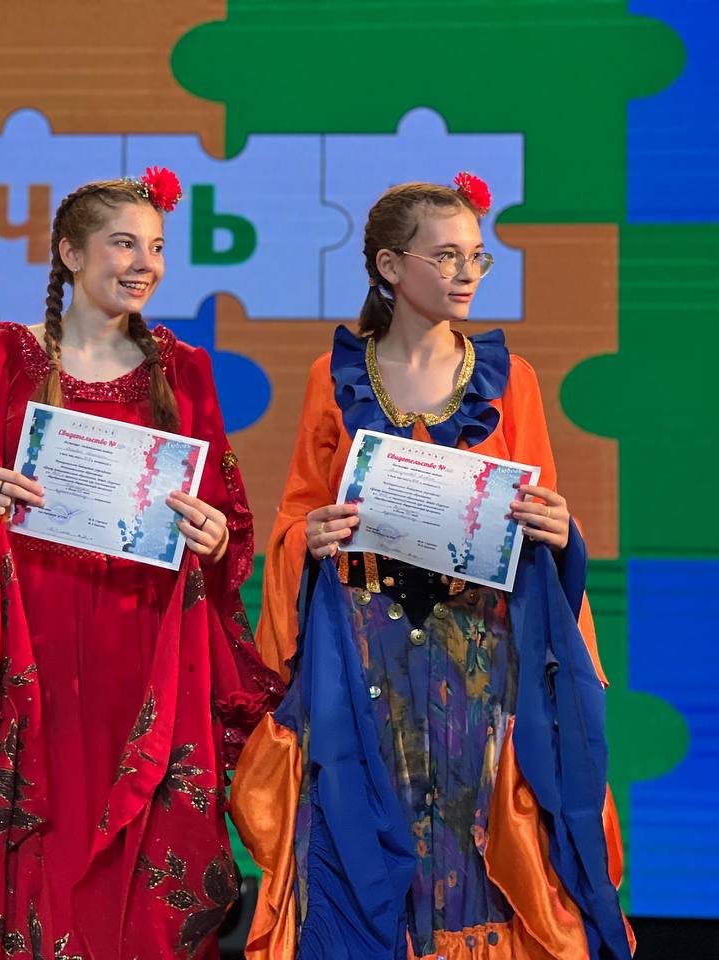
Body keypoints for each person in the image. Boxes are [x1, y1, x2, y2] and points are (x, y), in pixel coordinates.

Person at [0, 168, 283, 959]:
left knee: (140, 841)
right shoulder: (3, 356)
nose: (144, 263)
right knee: (32, 832)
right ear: (70, 253)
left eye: (156, 247)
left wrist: (213, 534)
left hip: (141, 643)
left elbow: (227, 519)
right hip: (27, 640)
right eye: (124, 244)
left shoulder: (184, 369)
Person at [230, 174, 634, 959]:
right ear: (390, 266)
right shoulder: (333, 378)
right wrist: (311, 533)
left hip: (477, 652)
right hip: (366, 648)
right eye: (445, 255)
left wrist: (558, 529)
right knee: (373, 826)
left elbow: (538, 506)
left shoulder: (510, 380)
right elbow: (297, 514)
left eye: (476, 256)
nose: (466, 272)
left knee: (473, 834)